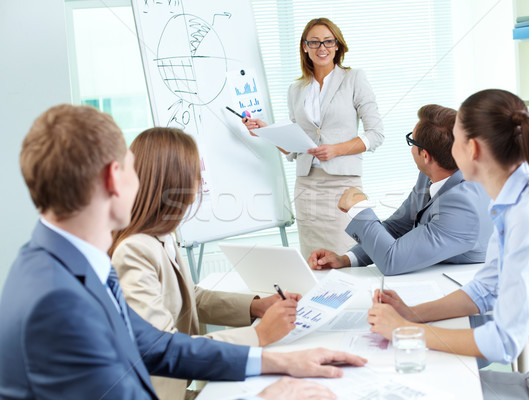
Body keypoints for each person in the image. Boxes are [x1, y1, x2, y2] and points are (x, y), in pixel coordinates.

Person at [0, 104, 367, 400]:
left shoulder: (67, 263)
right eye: (132, 168)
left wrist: (278, 363)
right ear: (114, 178)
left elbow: (159, 349)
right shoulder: (60, 302)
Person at [368, 90, 529, 399]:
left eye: (454, 139)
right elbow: (487, 288)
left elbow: (503, 343)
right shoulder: (516, 197)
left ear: (472, 148)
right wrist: (412, 314)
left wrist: (406, 332)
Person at [110, 127, 301, 399]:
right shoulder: (134, 251)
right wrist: (259, 335)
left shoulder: (162, 234)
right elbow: (163, 348)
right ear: (172, 183)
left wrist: (255, 305)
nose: (201, 183)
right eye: (195, 173)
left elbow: (190, 297)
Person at [243, 17, 384, 259]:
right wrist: (266, 131)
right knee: (313, 258)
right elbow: (293, 149)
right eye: (315, 42)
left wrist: (336, 150)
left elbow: (376, 134)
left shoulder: (354, 79)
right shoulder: (296, 90)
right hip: (306, 186)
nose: (322, 48)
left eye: (328, 42)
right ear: (305, 47)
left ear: (337, 46)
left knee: (345, 254)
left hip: (343, 184)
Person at [308, 104, 493, 276]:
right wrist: (346, 259)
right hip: (436, 274)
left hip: (465, 283)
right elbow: (398, 227)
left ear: (425, 155)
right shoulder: (430, 176)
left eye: (411, 141)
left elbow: (392, 260)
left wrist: (359, 209)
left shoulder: (463, 204)